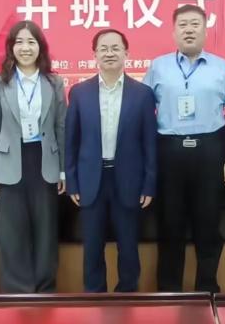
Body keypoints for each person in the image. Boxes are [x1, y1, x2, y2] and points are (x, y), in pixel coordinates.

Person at [142, 4, 225, 293]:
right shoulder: (158, 66)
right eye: (183, 25)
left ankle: (207, 288)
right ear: (174, 32)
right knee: (169, 223)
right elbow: (143, 111)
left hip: (210, 150)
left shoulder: (222, 67)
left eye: (195, 24)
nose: (189, 30)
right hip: (169, 152)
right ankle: (169, 290)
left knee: (209, 223)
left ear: (205, 30)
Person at [65, 29, 157, 292]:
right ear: (94, 54)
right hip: (90, 180)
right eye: (103, 48)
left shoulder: (142, 93)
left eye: (115, 48)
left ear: (126, 53)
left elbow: (149, 143)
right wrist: (72, 181)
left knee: (128, 247)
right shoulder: (79, 92)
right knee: (92, 247)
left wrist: (149, 184)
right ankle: (94, 297)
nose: (109, 53)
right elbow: (71, 140)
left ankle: (128, 295)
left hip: (128, 179)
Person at [0, 20, 67, 293]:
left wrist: (63, 170)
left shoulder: (53, 82)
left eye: (31, 41)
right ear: (11, 47)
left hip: (44, 162)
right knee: (11, 232)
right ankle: (16, 291)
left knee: (45, 231)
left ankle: (44, 289)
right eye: (19, 42)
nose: (25, 47)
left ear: (40, 47)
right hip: (9, 163)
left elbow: (61, 127)